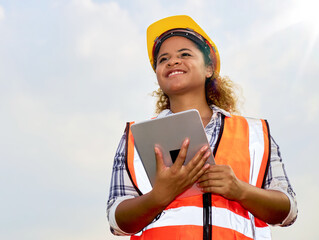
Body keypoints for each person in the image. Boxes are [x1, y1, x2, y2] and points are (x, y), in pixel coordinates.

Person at [106, 15, 297, 240]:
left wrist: (240, 190)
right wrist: (158, 196)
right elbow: (117, 221)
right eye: (163, 59)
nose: (172, 61)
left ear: (208, 69)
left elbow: (288, 212)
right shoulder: (134, 137)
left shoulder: (255, 133)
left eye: (184, 54)